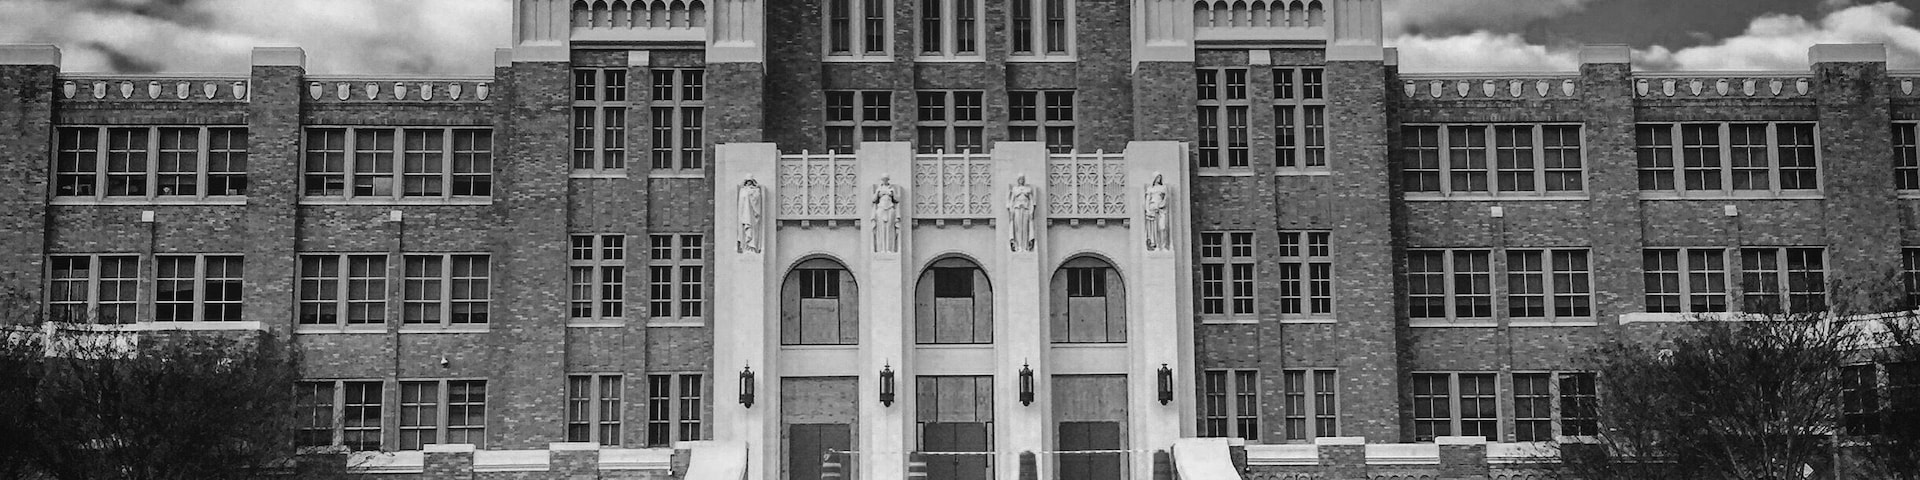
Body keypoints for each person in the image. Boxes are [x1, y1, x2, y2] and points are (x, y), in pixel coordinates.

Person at [1007, 175, 1036, 251]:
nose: (1021, 180)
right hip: (1017, 209)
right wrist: (1011, 211)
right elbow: (1012, 201)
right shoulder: (1015, 189)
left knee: (1025, 228)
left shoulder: (1028, 189)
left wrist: (1031, 211)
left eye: (1022, 179)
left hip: (1026, 209)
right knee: (1018, 229)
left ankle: (1025, 246)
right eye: (1020, 179)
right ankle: (1018, 245)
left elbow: (1032, 201)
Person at [872, 175, 900, 252]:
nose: (885, 180)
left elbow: (897, 199)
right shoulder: (879, 188)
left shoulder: (892, 188)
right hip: (881, 209)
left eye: (886, 179)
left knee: (890, 229)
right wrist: (878, 192)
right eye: (884, 179)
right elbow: (874, 200)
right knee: (881, 229)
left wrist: (893, 193)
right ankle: (881, 249)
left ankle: (889, 249)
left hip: (890, 208)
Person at [1144, 173, 1170, 250]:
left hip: (1161, 209)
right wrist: (1148, 209)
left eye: (1160, 177)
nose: (1159, 179)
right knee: (1154, 229)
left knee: (1162, 227)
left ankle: (1164, 245)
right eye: (1157, 177)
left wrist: (1162, 204)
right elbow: (1147, 200)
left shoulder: (1163, 188)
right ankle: (1156, 245)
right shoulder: (1150, 189)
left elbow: (1166, 198)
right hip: (1153, 208)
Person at [737, 178, 763, 253]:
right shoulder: (743, 191)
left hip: (752, 215)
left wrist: (752, 194)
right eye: (747, 182)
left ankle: (752, 247)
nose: (749, 183)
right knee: (746, 230)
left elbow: (756, 201)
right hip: (745, 214)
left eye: (750, 182)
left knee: (752, 230)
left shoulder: (756, 190)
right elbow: (741, 203)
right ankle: (745, 246)